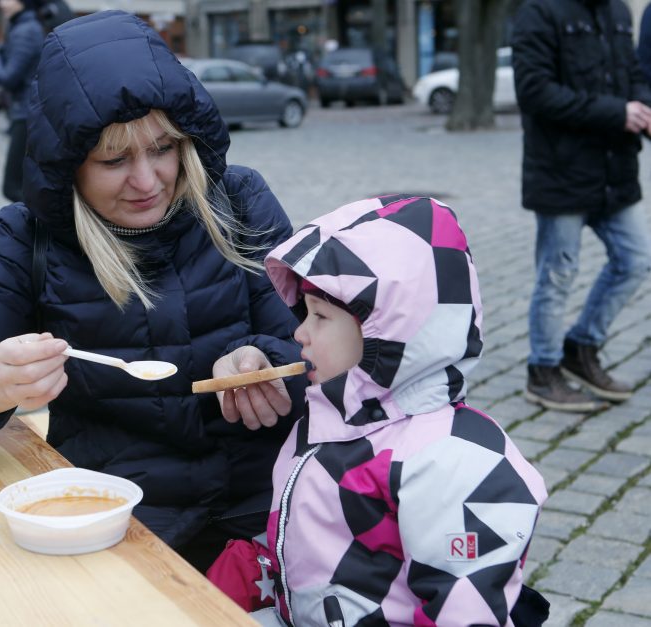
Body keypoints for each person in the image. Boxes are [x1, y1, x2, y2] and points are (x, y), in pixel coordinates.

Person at [0, 11, 306, 571]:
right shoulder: (31, 239)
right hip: (119, 533)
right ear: (67, 166)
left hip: (273, 519)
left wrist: (271, 360)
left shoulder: (236, 201)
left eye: (163, 148)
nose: (147, 181)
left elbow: (330, 348)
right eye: (114, 160)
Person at [210, 196, 548, 626]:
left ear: (385, 330)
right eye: (305, 314)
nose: (299, 332)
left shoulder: (450, 460)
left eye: (320, 317)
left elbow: (466, 609)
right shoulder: (329, 419)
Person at [512, 0, 651, 412]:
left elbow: (634, 74)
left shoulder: (619, 12)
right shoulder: (538, 11)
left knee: (635, 260)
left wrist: (642, 107)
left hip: (615, 171)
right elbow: (534, 91)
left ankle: (581, 347)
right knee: (557, 275)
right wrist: (616, 113)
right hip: (561, 170)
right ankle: (543, 372)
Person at [0, 0, 44, 203]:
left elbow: (8, 78)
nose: (1, 3)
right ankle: (21, 233)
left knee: (12, 187)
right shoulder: (20, 27)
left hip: (27, 115)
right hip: (26, 112)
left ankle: (47, 229)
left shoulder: (25, 31)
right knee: (23, 184)